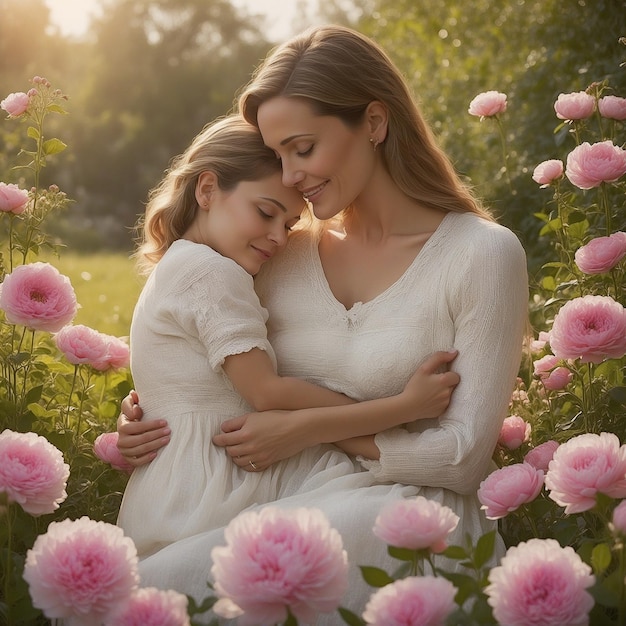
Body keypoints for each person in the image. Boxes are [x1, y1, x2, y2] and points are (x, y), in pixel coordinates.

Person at [117, 25, 528, 623]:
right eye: (277, 154)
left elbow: (463, 457)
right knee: (155, 585)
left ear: (375, 123)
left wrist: (306, 429)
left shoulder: (482, 255)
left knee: (183, 583)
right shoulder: (280, 250)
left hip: (405, 516)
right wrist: (149, 410)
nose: (288, 176)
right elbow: (198, 340)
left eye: (302, 148)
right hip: (274, 495)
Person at [117, 113, 460, 563]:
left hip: (178, 483)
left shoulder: (181, 265)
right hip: (222, 483)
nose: (279, 237)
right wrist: (402, 410)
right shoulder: (210, 273)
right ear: (206, 190)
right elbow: (267, 391)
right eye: (265, 212)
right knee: (395, 518)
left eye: (290, 223)